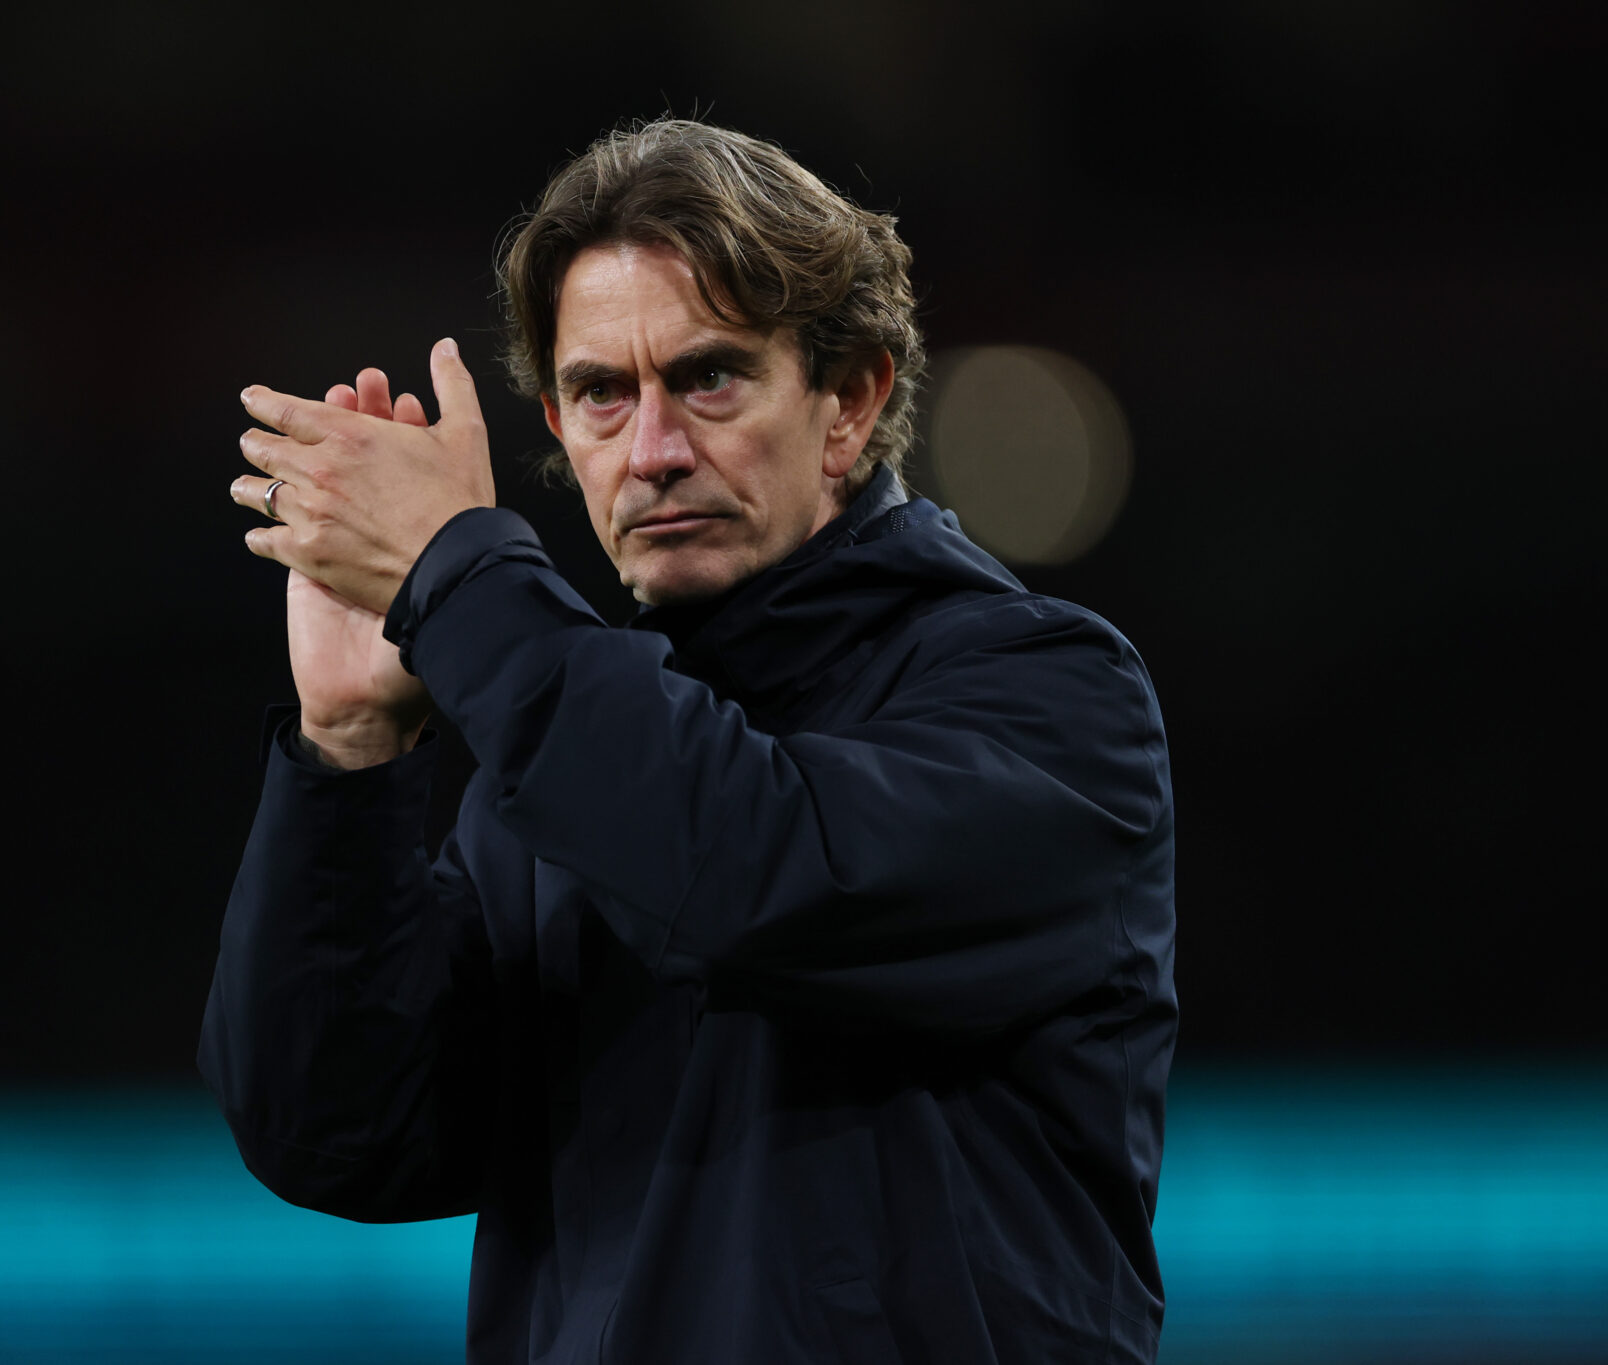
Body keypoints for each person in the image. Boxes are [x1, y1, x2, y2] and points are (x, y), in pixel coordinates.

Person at [199, 118, 1176, 1364]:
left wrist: (464, 581)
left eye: (707, 377)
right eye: (602, 394)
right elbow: (337, 1133)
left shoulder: (1043, 694)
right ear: (558, 432)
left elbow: (754, 877)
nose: (652, 452)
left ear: (850, 401)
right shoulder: (559, 765)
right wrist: (347, 755)